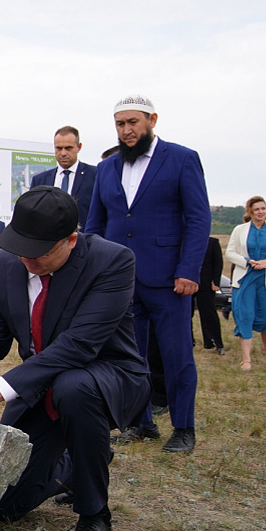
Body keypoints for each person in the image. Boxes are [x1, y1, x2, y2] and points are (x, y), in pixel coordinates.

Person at [0, 186, 149, 531]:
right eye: (21, 247)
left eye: (40, 252)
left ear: (70, 239)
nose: (27, 260)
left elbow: (79, 346)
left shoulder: (112, 262)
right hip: (40, 385)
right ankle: (77, 461)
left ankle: (94, 515)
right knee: (6, 506)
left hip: (104, 376)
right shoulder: (4, 264)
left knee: (74, 386)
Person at [86, 95, 211, 453]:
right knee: (129, 356)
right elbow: (97, 224)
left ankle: (184, 428)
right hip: (120, 281)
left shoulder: (182, 159)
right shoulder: (107, 168)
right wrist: (95, 271)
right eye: (120, 124)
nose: (126, 130)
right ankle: (142, 423)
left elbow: (198, 219)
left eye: (133, 123)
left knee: (176, 357)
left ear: (152, 120)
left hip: (169, 279)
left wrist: (188, 270)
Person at [226, 196, 266, 371]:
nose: (261, 212)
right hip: (245, 278)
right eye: (257, 209)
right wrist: (248, 261)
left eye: (263, 208)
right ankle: (246, 359)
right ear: (250, 211)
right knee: (245, 315)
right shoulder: (240, 230)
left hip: (264, 279)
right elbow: (230, 253)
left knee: (265, 316)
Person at [31, 127, 97, 226]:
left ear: (79, 147)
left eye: (68, 148)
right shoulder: (40, 180)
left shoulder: (95, 175)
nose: (63, 153)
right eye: (59, 148)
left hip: (84, 238)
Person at [194, 237, 225, 356]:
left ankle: (215, 342)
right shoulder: (184, 240)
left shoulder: (212, 242)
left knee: (209, 314)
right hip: (187, 282)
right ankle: (189, 341)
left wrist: (216, 282)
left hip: (206, 284)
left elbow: (218, 263)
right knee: (186, 314)